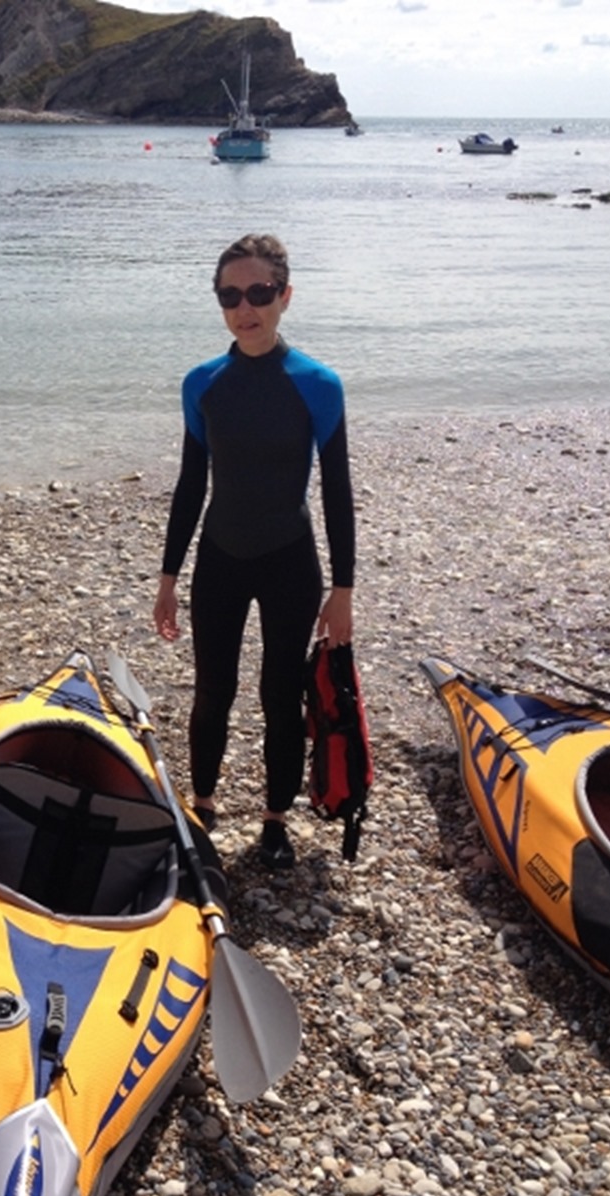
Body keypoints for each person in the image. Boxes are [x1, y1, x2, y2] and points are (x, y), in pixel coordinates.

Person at [153, 233, 355, 871]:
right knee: (212, 690)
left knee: (278, 694)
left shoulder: (317, 385)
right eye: (231, 295)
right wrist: (167, 576)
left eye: (260, 293)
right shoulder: (203, 384)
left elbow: (338, 490)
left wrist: (343, 590)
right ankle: (204, 805)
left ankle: (274, 820)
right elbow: (191, 485)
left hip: (290, 558)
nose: (246, 307)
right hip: (220, 556)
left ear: (284, 296)